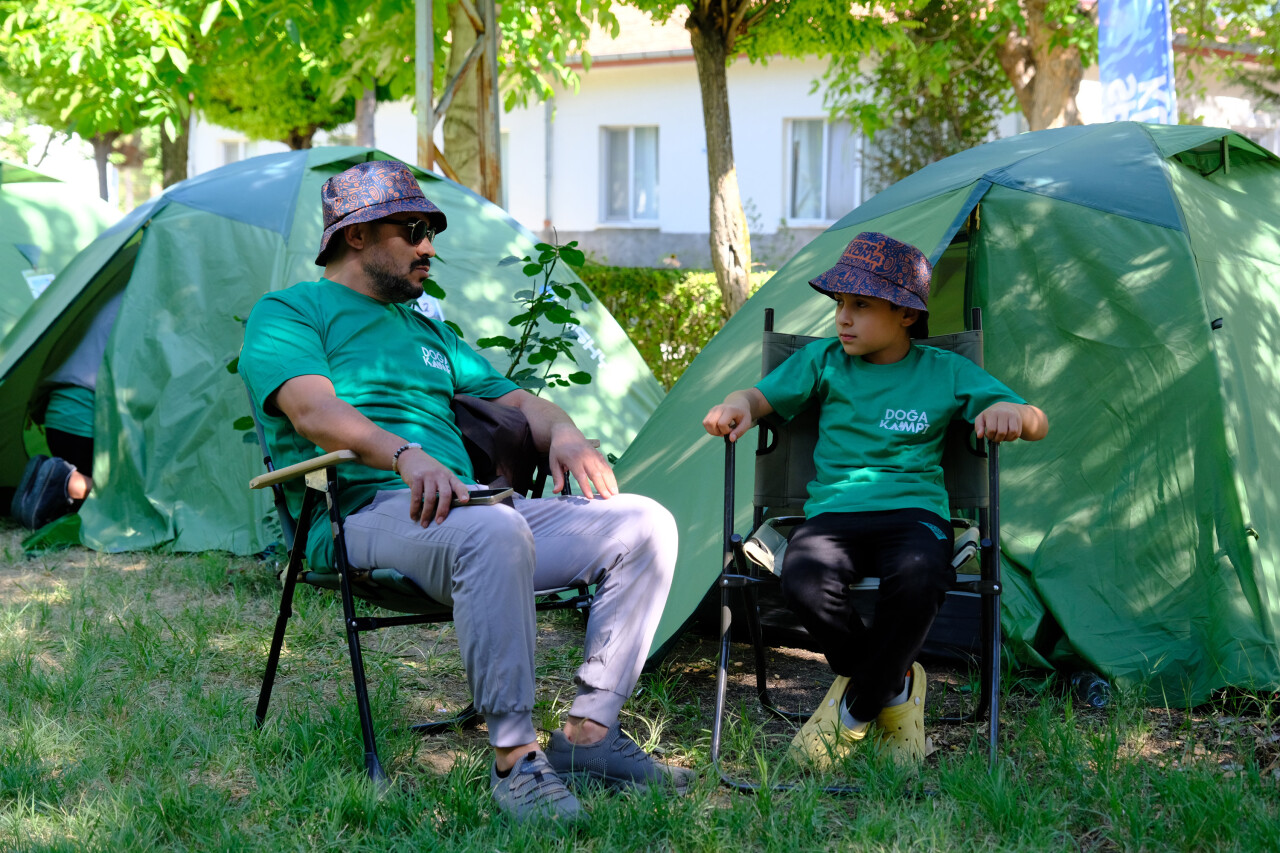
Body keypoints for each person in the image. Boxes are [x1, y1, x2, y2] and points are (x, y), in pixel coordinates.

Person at [238, 160, 690, 821]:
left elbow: (521, 401)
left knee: (644, 523)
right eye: (413, 229)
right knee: (493, 528)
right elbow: (310, 410)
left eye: (432, 231)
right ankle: (515, 759)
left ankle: (589, 735)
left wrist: (563, 432)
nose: (429, 246)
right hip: (361, 508)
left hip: (467, 508)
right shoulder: (290, 311)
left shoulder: (431, 333)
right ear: (356, 235)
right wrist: (404, 454)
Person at [701, 231, 1048, 767]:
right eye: (840, 303)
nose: (843, 318)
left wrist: (1013, 415)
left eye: (861, 305)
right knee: (802, 580)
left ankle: (853, 712)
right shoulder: (822, 361)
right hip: (833, 513)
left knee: (921, 578)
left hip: (915, 515)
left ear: (907, 314)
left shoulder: (945, 370)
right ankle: (896, 686)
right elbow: (756, 396)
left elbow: (1036, 420)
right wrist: (737, 404)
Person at [10, 291, 123, 529]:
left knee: (81, 508)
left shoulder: (100, 303)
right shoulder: (134, 308)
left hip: (57, 416)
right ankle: (64, 480)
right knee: (123, 491)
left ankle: (47, 477)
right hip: (83, 425)